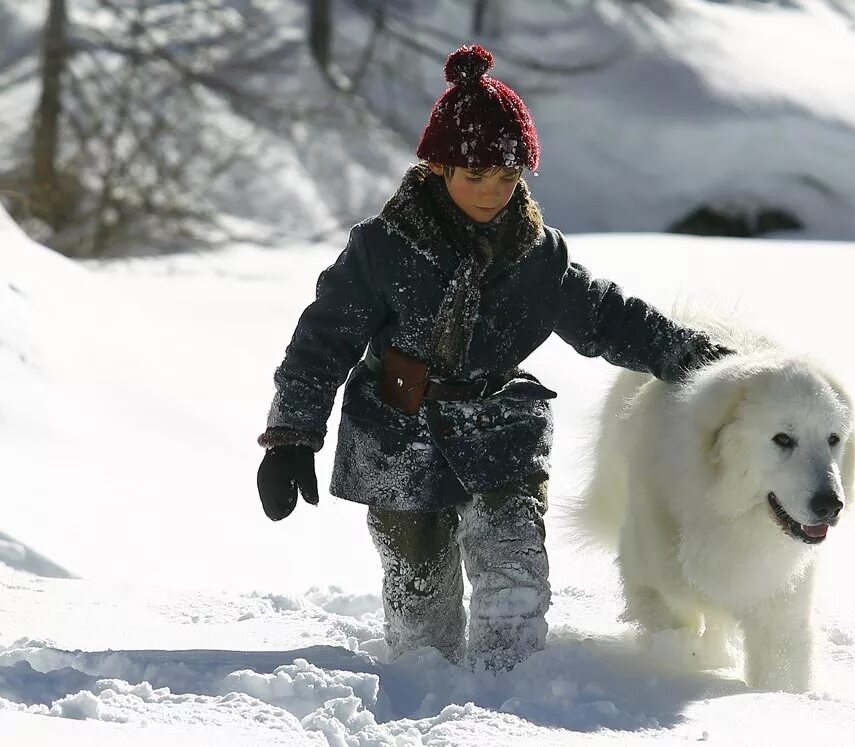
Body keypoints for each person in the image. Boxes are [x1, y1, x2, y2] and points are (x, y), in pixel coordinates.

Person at [256, 43, 732, 672]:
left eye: (507, 178)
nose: (492, 192)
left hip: (499, 432)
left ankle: (510, 694)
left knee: (515, 579)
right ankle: (423, 690)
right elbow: (321, 343)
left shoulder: (537, 257)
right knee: (421, 609)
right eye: (475, 176)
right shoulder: (383, 249)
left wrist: (699, 358)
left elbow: (610, 317)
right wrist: (291, 435)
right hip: (399, 434)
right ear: (438, 169)